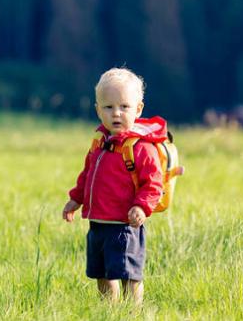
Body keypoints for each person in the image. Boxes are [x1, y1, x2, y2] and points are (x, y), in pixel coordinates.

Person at [62, 67, 167, 304]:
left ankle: (133, 312)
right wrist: (75, 199)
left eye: (124, 107)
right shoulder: (99, 143)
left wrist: (141, 207)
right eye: (108, 107)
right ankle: (108, 311)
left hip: (125, 224)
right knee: (102, 272)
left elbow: (153, 184)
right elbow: (88, 175)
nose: (116, 113)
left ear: (138, 109)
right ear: (98, 110)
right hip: (98, 222)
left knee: (129, 273)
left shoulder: (141, 148)